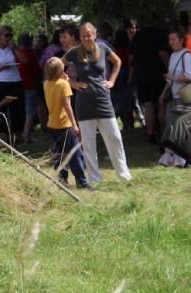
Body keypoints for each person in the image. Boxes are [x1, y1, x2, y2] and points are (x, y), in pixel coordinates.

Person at [63, 22, 132, 183]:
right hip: (84, 102)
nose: (87, 38)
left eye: (89, 34)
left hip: (103, 100)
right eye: (83, 35)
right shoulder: (74, 52)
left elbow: (118, 62)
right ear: (79, 37)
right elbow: (57, 66)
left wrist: (112, 81)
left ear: (95, 34)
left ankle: (124, 174)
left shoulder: (103, 48)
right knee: (88, 143)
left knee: (115, 137)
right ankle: (94, 178)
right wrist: (72, 83)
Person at [43, 57, 89, 190]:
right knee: (75, 154)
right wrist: (74, 124)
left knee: (59, 154)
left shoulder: (47, 83)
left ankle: (62, 180)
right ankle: (82, 182)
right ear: (60, 69)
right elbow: (67, 106)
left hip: (52, 123)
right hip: (64, 124)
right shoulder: (63, 85)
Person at [130, 23, 169, 143]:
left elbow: (131, 58)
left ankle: (150, 133)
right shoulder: (159, 34)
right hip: (158, 73)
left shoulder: (136, 37)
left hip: (141, 74)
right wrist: (168, 68)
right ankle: (164, 132)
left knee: (148, 104)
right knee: (162, 103)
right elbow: (163, 54)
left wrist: (133, 73)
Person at [0, 26, 25, 136]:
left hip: (16, 81)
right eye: (6, 35)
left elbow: (24, 60)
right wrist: (2, 68)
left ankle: (17, 135)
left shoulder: (12, 48)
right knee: (2, 109)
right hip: (1, 83)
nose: (9, 38)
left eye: (10, 35)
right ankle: (2, 134)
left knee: (17, 110)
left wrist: (15, 48)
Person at [16, 32, 42, 143]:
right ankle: (26, 135)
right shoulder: (30, 55)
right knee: (30, 112)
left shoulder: (15, 54)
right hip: (30, 85)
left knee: (22, 110)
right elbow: (37, 71)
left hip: (18, 85)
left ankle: (23, 133)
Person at [164, 29, 191, 112]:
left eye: (173, 39)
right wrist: (163, 93)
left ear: (181, 40)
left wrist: (174, 78)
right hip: (175, 97)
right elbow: (170, 79)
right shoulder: (172, 55)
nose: (170, 42)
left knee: (183, 124)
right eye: (169, 40)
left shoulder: (187, 56)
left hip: (185, 98)